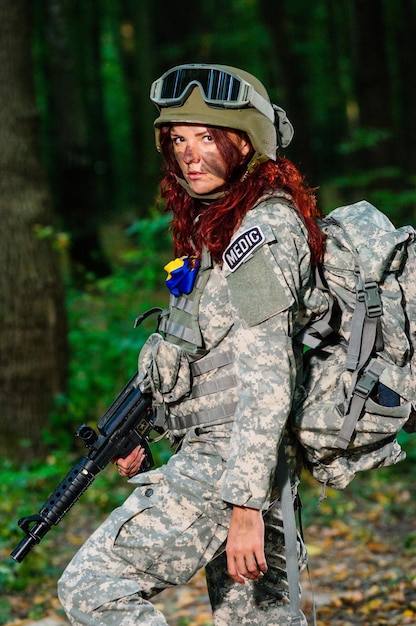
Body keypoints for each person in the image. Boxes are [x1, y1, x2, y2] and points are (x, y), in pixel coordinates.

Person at [58, 63, 327, 626]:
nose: (189, 153)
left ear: (248, 143)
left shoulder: (257, 235)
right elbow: (216, 363)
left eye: (208, 137)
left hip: (230, 471)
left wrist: (245, 507)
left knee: (92, 589)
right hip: (239, 466)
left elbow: (268, 373)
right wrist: (151, 432)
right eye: (178, 139)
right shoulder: (220, 231)